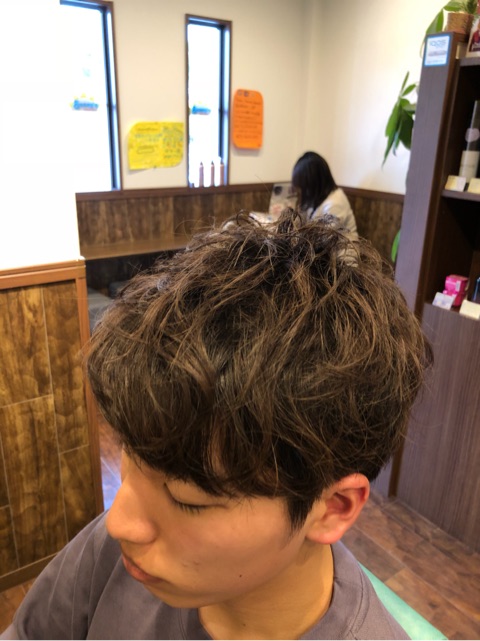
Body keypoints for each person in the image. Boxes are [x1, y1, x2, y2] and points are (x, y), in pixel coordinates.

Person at [1, 211, 432, 640]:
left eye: (186, 500)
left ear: (333, 507)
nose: (118, 523)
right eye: (132, 456)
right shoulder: (115, 549)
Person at [292, 151, 358, 239]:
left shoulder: (335, 203)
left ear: (312, 183)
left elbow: (323, 240)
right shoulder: (317, 197)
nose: (301, 191)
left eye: (303, 186)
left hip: (344, 247)